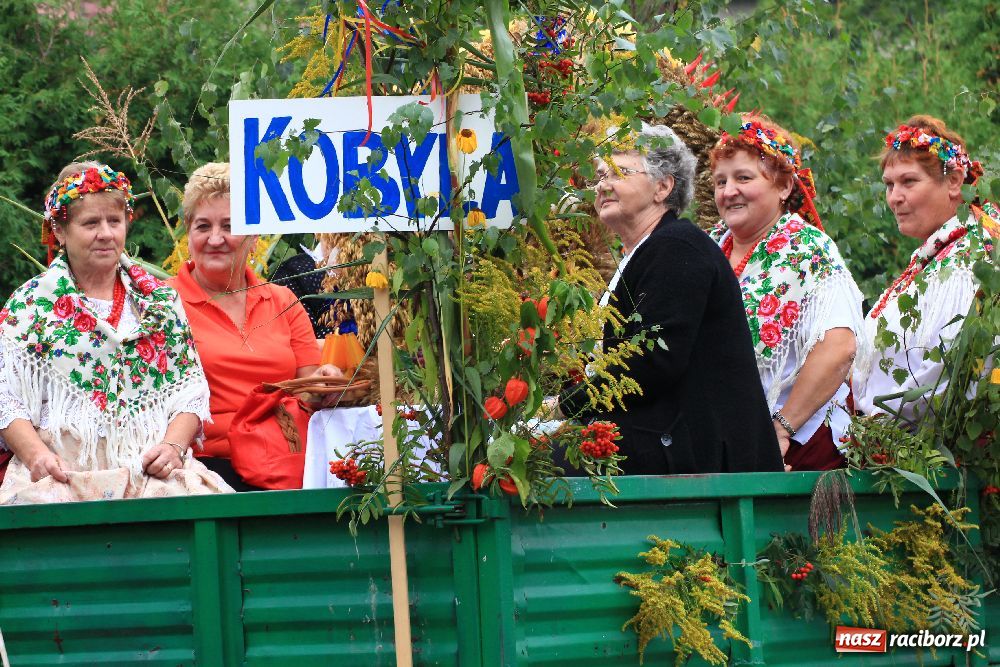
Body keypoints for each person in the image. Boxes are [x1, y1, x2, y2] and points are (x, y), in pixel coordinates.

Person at [0, 162, 230, 504]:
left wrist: (171, 448)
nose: (106, 233)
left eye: (114, 221)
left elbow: (191, 393)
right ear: (60, 231)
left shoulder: (159, 302)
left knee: (198, 506)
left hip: (150, 473)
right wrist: (37, 457)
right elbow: (6, 399)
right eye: (90, 223)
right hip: (62, 474)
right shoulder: (31, 305)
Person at [561, 123, 783, 475]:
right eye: (599, 176)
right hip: (670, 442)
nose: (602, 185)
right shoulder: (651, 251)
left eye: (618, 172)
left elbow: (652, 362)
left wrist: (566, 405)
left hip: (701, 458)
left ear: (663, 187)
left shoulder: (678, 247)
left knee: (537, 464)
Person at [170, 163, 344, 491]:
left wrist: (327, 384)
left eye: (230, 225)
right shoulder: (163, 303)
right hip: (201, 473)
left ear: (254, 235)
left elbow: (309, 391)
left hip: (284, 464)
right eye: (203, 226)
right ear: (189, 234)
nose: (215, 238)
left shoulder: (283, 300)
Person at [709, 116, 866, 471]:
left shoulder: (808, 249)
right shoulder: (710, 245)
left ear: (784, 186)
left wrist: (781, 429)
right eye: (720, 181)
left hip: (796, 445)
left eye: (743, 178)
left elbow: (840, 346)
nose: (728, 190)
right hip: (726, 443)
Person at [854, 115, 996, 422]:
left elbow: (946, 371)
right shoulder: (939, 255)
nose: (895, 198)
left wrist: (876, 427)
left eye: (909, 181)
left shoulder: (967, 261)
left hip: (925, 457)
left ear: (955, 182)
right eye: (889, 185)